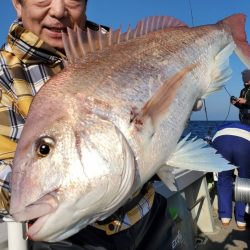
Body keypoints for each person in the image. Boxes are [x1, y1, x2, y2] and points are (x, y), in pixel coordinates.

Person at [0, 1, 171, 250]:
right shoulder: (5, 74)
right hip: (74, 238)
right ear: (17, 4)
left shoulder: (123, 46)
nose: (58, 11)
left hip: (147, 212)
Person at [212, 122, 250, 231]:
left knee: (223, 179)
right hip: (245, 142)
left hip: (220, 139)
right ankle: (241, 220)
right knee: (244, 181)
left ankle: (225, 217)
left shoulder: (222, 127)